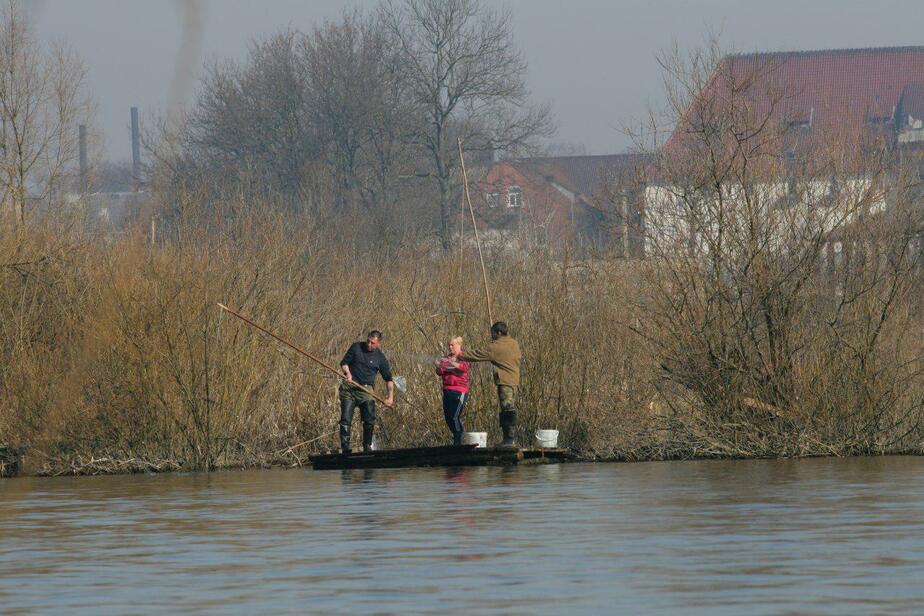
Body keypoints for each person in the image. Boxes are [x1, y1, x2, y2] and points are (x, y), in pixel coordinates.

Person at [460, 321, 521, 447]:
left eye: (493, 333)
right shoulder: (514, 343)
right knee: (509, 408)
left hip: (505, 382)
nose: (491, 336)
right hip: (514, 381)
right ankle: (509, 439)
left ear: (498, 333)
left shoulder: (496, 347)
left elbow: (477, 354)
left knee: (507, 409)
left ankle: (508, 440)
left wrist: (460, 356)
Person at [339, 330, 394, 454]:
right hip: (349, 387)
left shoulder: (380, 357)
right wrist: (347, 374)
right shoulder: (356, 347)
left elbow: (389, 379)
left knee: (369, 420)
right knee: (345, 419)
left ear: (378, 344)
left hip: (366, 389)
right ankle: (345, 448)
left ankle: (367, 446)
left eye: (372, 343)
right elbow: (344, 363)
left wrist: (390, 398)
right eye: (368, 341)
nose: (369, 344)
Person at [434, 336, 470, 446]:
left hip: (459, 391)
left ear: (459, 345)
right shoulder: (447, 358)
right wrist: (438, 365)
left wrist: (450, 363)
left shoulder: (464, 357)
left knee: (455, 416)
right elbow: (440, 371)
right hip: (447, 391)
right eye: (448, 345)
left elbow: (463, 368)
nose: (450, 347)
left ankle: (459, 439)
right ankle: (457, 438)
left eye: (452, 345)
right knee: (448, 418)